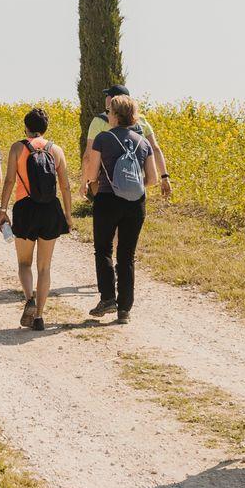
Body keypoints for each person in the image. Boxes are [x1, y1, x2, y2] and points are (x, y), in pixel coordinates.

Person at [82, 93, 160, 323]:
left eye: (109, 112)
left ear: (115, 115)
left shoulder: (103, 138)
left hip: (108, 200)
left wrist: (99, 182)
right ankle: (124, 309)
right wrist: (131, 184)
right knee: (127, 255)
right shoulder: (143, 142)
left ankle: (108, 298)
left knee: (103, 249)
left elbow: (91, 174)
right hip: (136, 203)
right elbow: (153, 178)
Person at [0, 107, 75, 331]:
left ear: (26, 127)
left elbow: (10, 181)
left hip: (25, 208)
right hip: (50, 209)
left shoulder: (17, 148)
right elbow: (65, 186)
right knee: (44, 267)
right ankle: (40, 317)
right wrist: (68, 215)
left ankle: (29, 299)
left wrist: (3, 209)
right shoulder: (56, 150)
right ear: (45, 128)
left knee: (24, 263)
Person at [86, 82, 172, 199]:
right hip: (135, 191)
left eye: (108, 95)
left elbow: (88, 157)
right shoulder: (142, 121)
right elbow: (155, 149)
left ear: (114, 101)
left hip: (108, 190)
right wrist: (164, 176)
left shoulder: (100, 122)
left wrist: (85, 181)